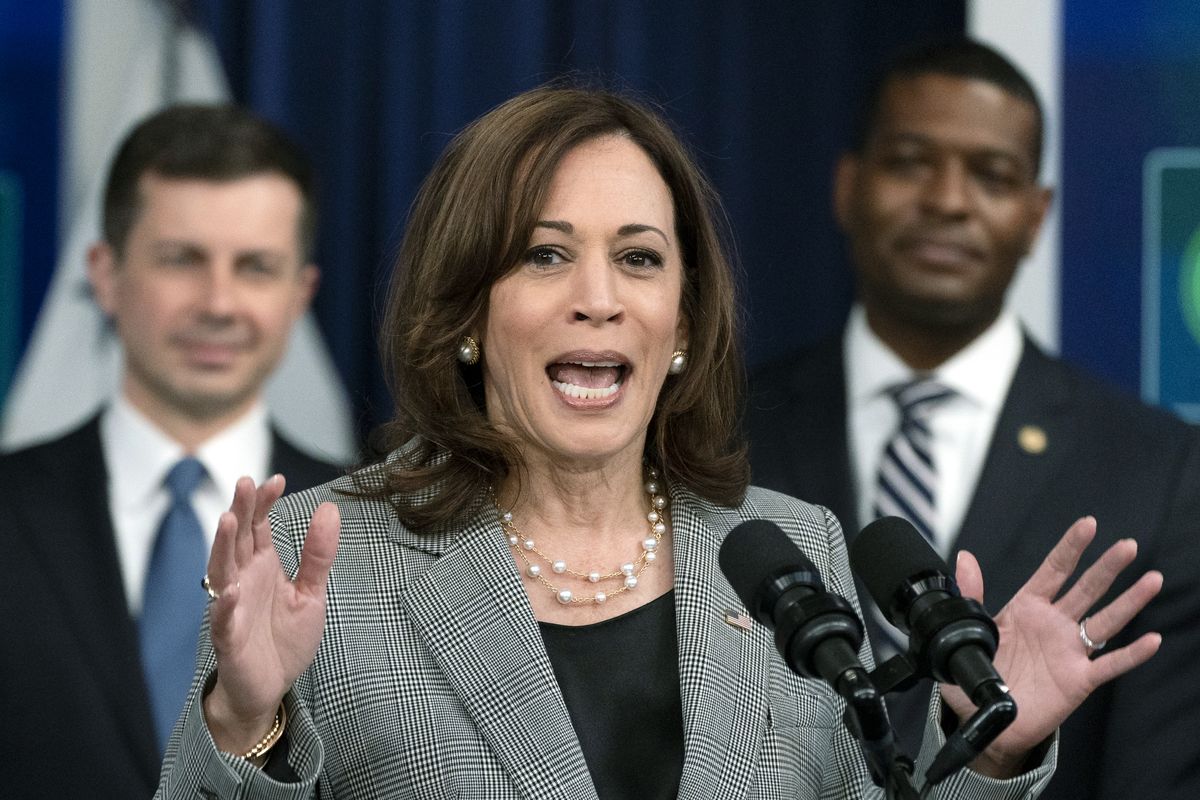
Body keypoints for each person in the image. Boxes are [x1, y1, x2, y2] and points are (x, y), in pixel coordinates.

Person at [155, 86, 1159, 800]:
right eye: (546, 254)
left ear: (680, 323)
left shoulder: (790, 551)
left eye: (638, 258)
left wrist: (988, 754)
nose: (598, 299)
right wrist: (243, 722)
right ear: (466, 312)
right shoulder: (325, 560)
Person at [746, 37, 1200, 800]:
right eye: (911, 161)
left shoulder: (1162, 470)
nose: (949, 200)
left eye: (991, 175)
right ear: (848, 185)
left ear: (1035, 214)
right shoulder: (721, 430)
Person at [0, 104, 343, 798]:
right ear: (104, 273)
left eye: (255, 267)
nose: (219, 302)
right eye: (182, 259)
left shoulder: (376, 526)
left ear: (300, 293)